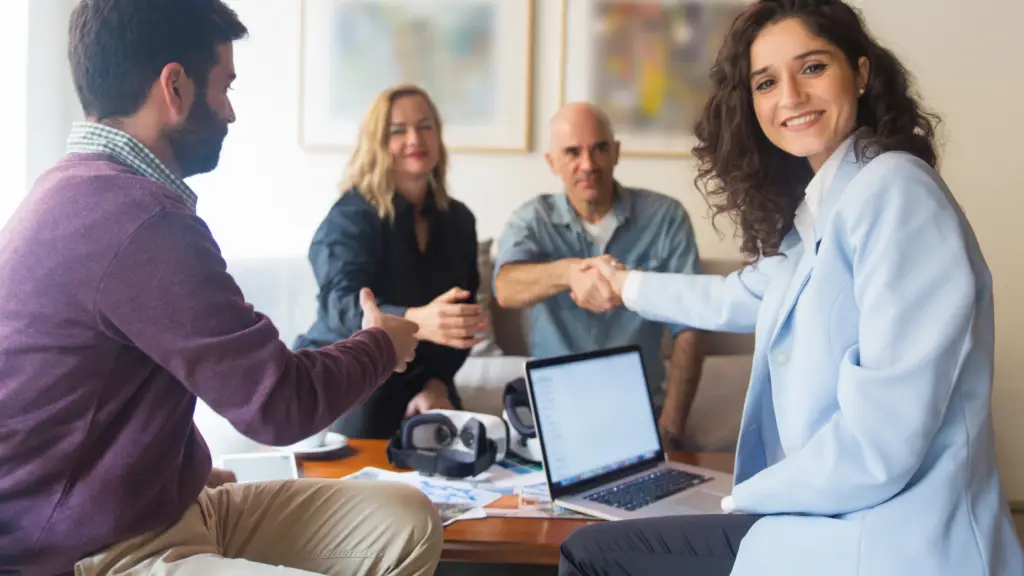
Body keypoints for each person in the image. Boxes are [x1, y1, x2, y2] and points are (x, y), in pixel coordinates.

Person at [559, 1, 1024, 575]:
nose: (791, 97)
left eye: (812, 67)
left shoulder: (895, 193)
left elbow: (880, 445)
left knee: (591, 555)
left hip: (891, 539)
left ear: (860, 71)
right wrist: (621, 284)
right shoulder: (828, 207)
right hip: (835, 522)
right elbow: (738, 296)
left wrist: (740, 497)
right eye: (766, 82)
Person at [0, 1, 442, 574]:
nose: (231, 112)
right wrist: (382, 345)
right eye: (225, 86)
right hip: (99, 551)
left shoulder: (74, 191)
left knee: (406, 517)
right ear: (175, 87)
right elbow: (279, 405)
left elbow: (103, 390)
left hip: (167, 509)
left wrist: (179, 470)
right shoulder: (139, 220)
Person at [493, 102, 705, 448]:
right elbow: (505, 288)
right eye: (572, 152)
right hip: (555, 417)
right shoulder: (531, 220)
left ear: (616, 152)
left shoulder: (665, 218)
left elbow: (690, 325)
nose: (588, 165)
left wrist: (670, 427)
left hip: (641, 415)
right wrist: (569, 272)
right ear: (552, 162)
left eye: (600, 149)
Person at [294, 84, 487, 440]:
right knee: (367, 434)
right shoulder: (351, 215)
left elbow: (462, 320)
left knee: (469, 455)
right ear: (377, 142)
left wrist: (437, 384)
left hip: (425, 377)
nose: (415, 138)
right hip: (352, 369)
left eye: (425, 126)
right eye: (398, 130)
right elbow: (339, 305)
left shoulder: (459, 219)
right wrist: (414, 321)